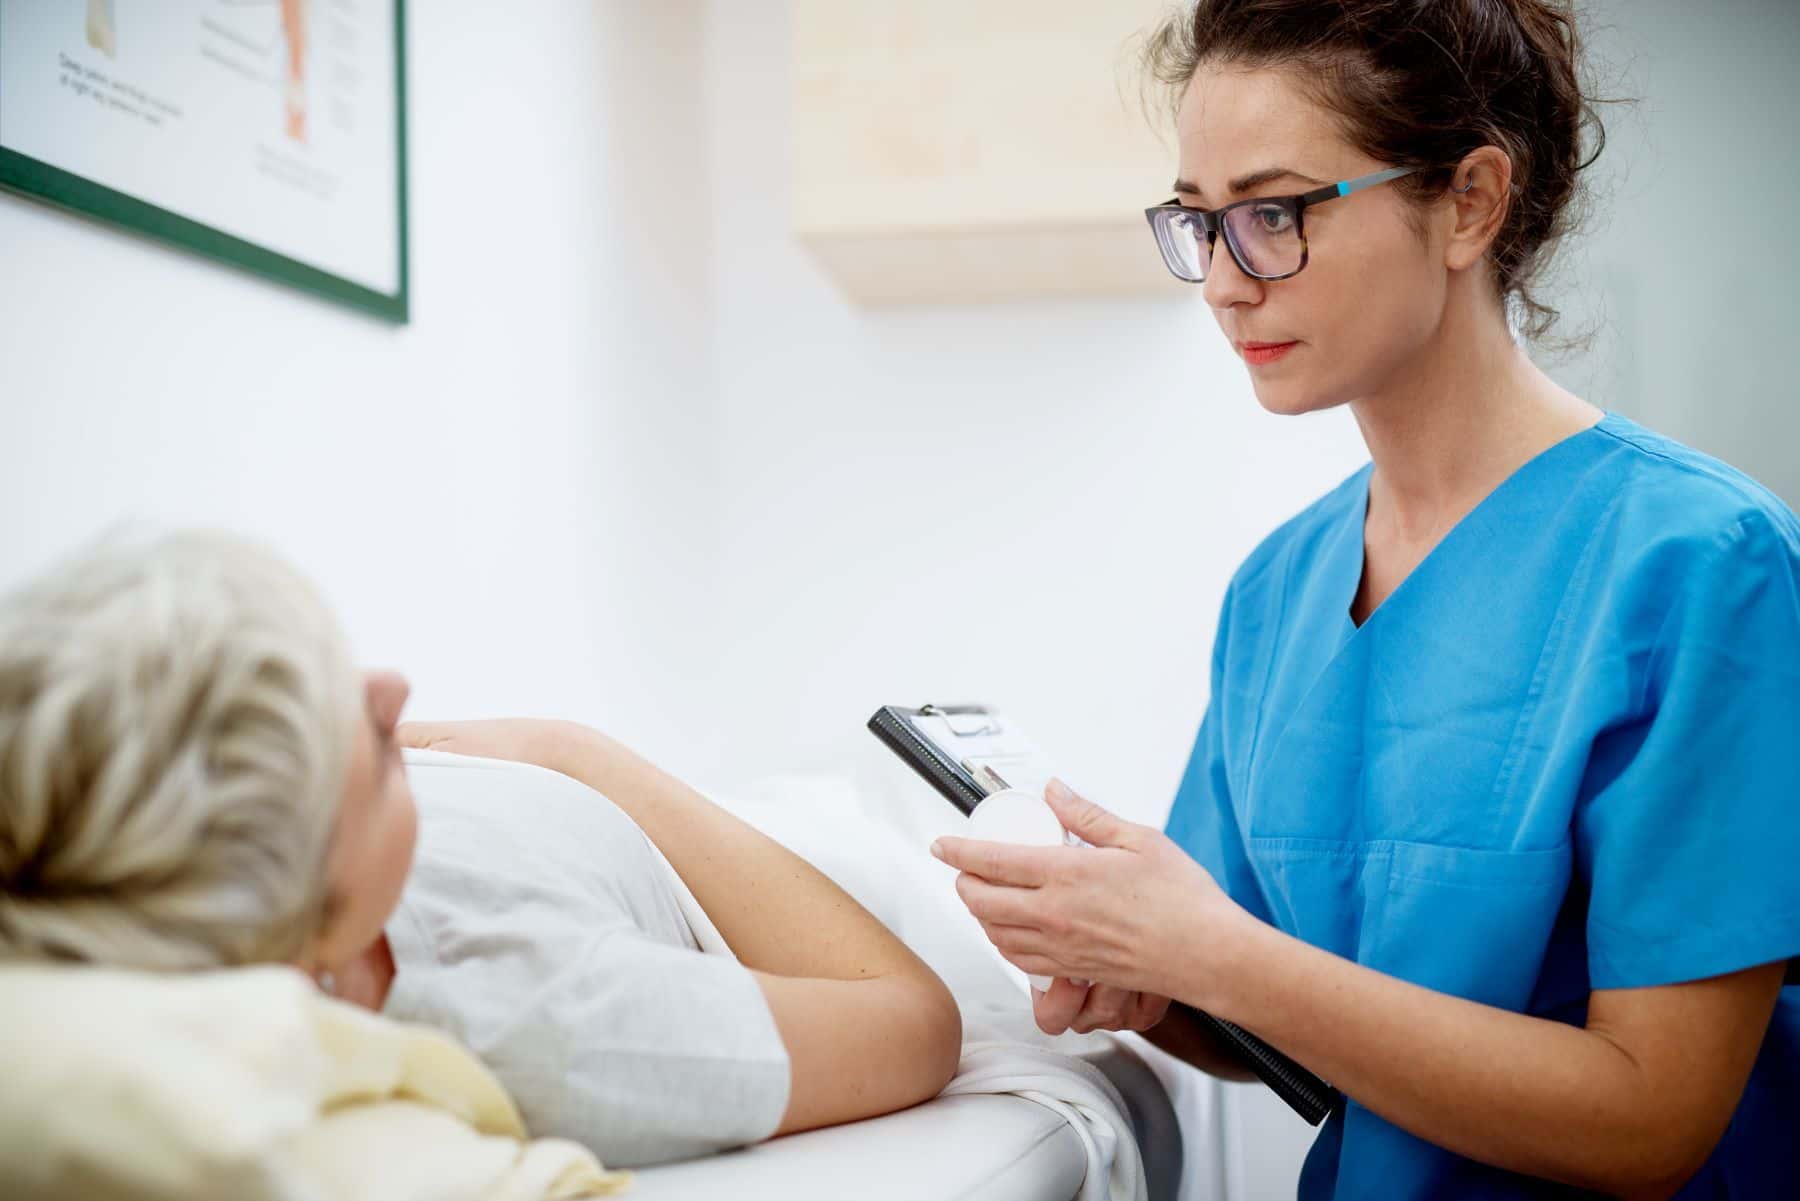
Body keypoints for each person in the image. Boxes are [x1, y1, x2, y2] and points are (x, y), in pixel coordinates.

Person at [932, 1, 1800, 1198]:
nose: (1225, 284)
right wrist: (1145, 978)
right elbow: (1274, 1013)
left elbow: (1656, 1117)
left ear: (1470, 203)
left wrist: (1214, 954)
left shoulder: (1706, 563)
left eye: (1273, 215)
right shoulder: (1278, 591)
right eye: (1201, 221)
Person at [0, 531, 962, 1169]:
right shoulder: (559, 1016)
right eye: (361, 740)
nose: (390, 688)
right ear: (308, 901)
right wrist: (573, 750)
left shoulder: (235, 839)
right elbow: (917, 1018)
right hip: (825, 870)